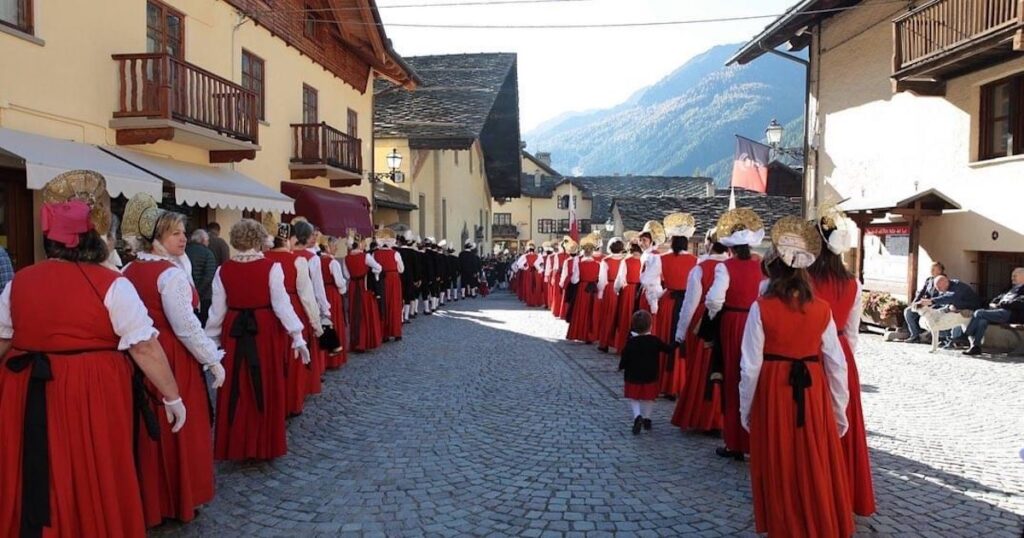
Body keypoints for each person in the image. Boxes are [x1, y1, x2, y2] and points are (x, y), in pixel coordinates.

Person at [0, 170, 184, 537]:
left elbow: (2, 338)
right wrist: (173, 394)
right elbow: (144, 346)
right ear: (96, 239)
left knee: (37, 466)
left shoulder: (20, 281)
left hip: (25, 392)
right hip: (87, 392)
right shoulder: (113, 284)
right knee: (89, 467)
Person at [739, 216, 853, 538]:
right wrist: (839, 408)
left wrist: (745, 409)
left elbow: (749, 367)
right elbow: (836, 363)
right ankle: (815, 521)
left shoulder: (761, 308)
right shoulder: (823, 309)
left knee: (780, 461)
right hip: (813, 389)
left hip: (775, 389)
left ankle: (784, 525)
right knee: (812, 459)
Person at [120, 194, 224, 527]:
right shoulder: (169, 276)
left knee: (148, 429)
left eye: (183, 232)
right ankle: (180, 496)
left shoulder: (128, 269)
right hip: (172, 358)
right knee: (178, 427)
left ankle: (151, 497)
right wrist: (212, 359)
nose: (183, 238)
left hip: (138, 357)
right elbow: (186, 327)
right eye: (175, 233)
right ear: (157, 238)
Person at [205, 219, 311, 461]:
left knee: (237, 386)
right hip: (263, 331)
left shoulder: (224, 270)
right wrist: (297, 335)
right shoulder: (271, 267)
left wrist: (211, 344)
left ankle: (236, 445)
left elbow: (216, 312)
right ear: (260, 239)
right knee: (263, 382)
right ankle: (263, 445)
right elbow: (282, 305)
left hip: (234, 331)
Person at [808, 207, 876, 517]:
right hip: (841, 352)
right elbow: (852, 331)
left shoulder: (804, 279)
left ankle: (813, 491)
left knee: (811, 422)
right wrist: (845, 360)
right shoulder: (853, 283)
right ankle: (843, 489)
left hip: (808, 350)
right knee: (840, 421)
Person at [705, 208, 765, 461]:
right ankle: (755, 438)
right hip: (759, 321)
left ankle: (734, 442)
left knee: (733, 379)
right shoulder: (762, 265)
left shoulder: (725, 267)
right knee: (755, 378)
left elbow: (714, 299)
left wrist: (713, 317)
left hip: (734, 323)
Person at [670, 228, 729, 433]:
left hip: (705, 320)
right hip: (731, 320)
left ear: (709, 243)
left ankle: (704, 416)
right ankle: (722, 417)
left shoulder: (700, 268)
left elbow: (690, 303)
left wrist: (680, 332)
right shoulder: (738, 265)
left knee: (702, 368)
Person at [262, 216, 321, 417]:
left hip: (267, 312)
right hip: (294, 308)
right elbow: (307, 295)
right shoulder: (298, 260)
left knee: (273, 358)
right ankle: (292, 402)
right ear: (289, 239)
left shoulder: (263, 257)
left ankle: (273, 401)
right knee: (293, 355)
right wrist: (316, 323)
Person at [645, 214, 698, 399]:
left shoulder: (661, 259)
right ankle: (681, 382)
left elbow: (646, 280)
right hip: (688, 302)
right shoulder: (694, 260)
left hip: (669, 301)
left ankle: (666, 382)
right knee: (683, 341)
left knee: (667, 338)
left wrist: (659, 293)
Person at [292, 220, 334, 396]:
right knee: (311, 340)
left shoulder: (290, 254)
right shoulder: (312, 259)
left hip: (291, 303)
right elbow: (318, 287)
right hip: (307, 303)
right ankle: (311, 377)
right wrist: (325, 307)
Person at [618, 310, 676, 435]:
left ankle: (637, 416)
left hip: (633, 375)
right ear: (650, 325)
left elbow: (625, 357)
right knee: (649, 398)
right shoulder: (654, 340)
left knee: (634, 398)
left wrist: (621, 366)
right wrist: (677, 342)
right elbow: (668, 349)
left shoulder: (631, 342)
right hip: (651, 375)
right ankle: (647, 419)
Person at [959, 267, 1024, 356]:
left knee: (979, 313)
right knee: (982, 321)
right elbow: (996, 299)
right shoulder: (1010, 288)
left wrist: (1002, 304)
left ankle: (965, 335)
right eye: (1012, 276)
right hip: (999, 311)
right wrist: (993, 304)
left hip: (1011, 314)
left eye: (1014, 276)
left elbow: (1019, 303)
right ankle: (975, 347)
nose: (1012, 278)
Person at [902, 275, 980, 343]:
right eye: (937, 288)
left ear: (945, 283)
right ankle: (922, 334)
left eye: (939, 287)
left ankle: (952, 339)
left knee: (948, 317)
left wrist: (932, 301)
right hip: (953, 308)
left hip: (969, 310)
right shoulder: (944, 286)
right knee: (914, 313)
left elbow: (951, 298)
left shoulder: (958, 286)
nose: (938, 290)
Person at [344, 232, 383, 352]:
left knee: (354, 313)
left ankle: (355, 342)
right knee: (364, 314)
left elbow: (346, 275)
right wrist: (372, 274)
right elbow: (378, 267)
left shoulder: (347, 258)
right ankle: (363, 342)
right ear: (360, 244)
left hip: (352, 287)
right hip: (363, 287)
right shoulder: (365, 256)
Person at [565, 236, 603, 344]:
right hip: (593, 290)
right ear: (592, 252)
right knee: (592, 312)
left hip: (582, 289)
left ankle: (580, 333)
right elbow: (600, 280)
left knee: (581, 311)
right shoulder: (598, 264)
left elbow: (574, 280)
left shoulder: (579, 264)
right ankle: (590, 335)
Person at [320, 236, 349, 369]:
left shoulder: (317, 260)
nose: (336, 248)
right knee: (334, 322)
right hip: (332, 292)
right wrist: (343, 288)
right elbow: (340, 282)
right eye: (334, 245)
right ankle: (334, 358)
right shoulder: (332, 263)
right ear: (328, 246)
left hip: (322, 291)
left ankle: (324, 359)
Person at [372, 229, 405, 342]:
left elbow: (373, 269)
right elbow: (401, 269)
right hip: (394, 279)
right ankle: (396, 332)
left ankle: (384, 334)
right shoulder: (395, 253)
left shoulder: (375, 253)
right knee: (395, 304)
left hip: (380, 280)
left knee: (383, 305)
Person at [613, 234, 644, 353]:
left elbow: (620, 279)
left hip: (628, 291)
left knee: (625, 318)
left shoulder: (626, 261)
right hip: (640, 289)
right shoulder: (643, 259)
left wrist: (616, 290)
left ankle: (623, 346)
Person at [901, 262, 946, 341]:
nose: (931, 271)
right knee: (908, 311)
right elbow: (922, 292)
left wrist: (930, 304)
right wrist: (915, 303)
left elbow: (943, 297)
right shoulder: (929, 280)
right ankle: (915, 335)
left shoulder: (943, 281)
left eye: (933, 269)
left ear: (939, 270)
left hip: (935, 307)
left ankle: (936, 337)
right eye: (931, 269)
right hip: (925, 305)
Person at [597, 238, 626, 353]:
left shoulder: (605, 261)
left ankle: (604, 343)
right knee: (621, 317)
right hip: (623, 288)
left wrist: (600, 291)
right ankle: (620, 343)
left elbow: (602, 280)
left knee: (608, 316)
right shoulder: (625, 259)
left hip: (610, 288)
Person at [185, 229, 217, 325]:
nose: (208, 243)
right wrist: (198, 293)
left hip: (186, 294)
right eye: (207, 241)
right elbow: (209, 276)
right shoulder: (208, 253)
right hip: (204, 297)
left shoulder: (184, 251)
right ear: (203, 240)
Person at [397, 231, 421, 323]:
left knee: (400, 297)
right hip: (410, 277)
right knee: (407, 297)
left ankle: (400, 317)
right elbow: (416, 267)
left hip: (399, 277)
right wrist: (417, 279)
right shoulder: (413, 253)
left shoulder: (397, 251)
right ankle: (406, 316)